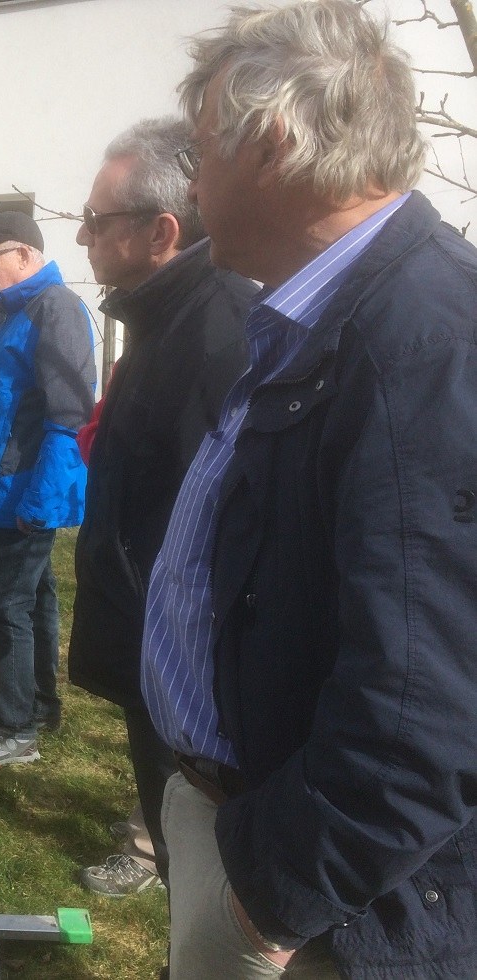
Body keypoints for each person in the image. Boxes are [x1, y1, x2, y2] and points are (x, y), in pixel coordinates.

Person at [142, 3, 477, 976]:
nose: (192, 182)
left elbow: (426, 710)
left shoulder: (424, 343)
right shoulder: (323, 313)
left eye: (201, 150)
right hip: (245, 820)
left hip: (328, 906)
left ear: (275, 142)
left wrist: (271, 896)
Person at [66, 117, 252, 900]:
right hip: (149, 632)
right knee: (169, 808)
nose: (82, 236)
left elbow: (216, 519)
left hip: (181, 653)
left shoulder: (215, 333)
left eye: (96, 220)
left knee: (198, 862)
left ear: (161, 231)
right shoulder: (164, 316)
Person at [0, 211, 95, 766]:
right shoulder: (19, 310)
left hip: (28, 489)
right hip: (13, 487)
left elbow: (69, 413)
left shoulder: (54, 307)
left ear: (26, 255)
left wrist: (43, 497)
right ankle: (36, 704)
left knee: (4, 599)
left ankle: (15, 730)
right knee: (34, 596)